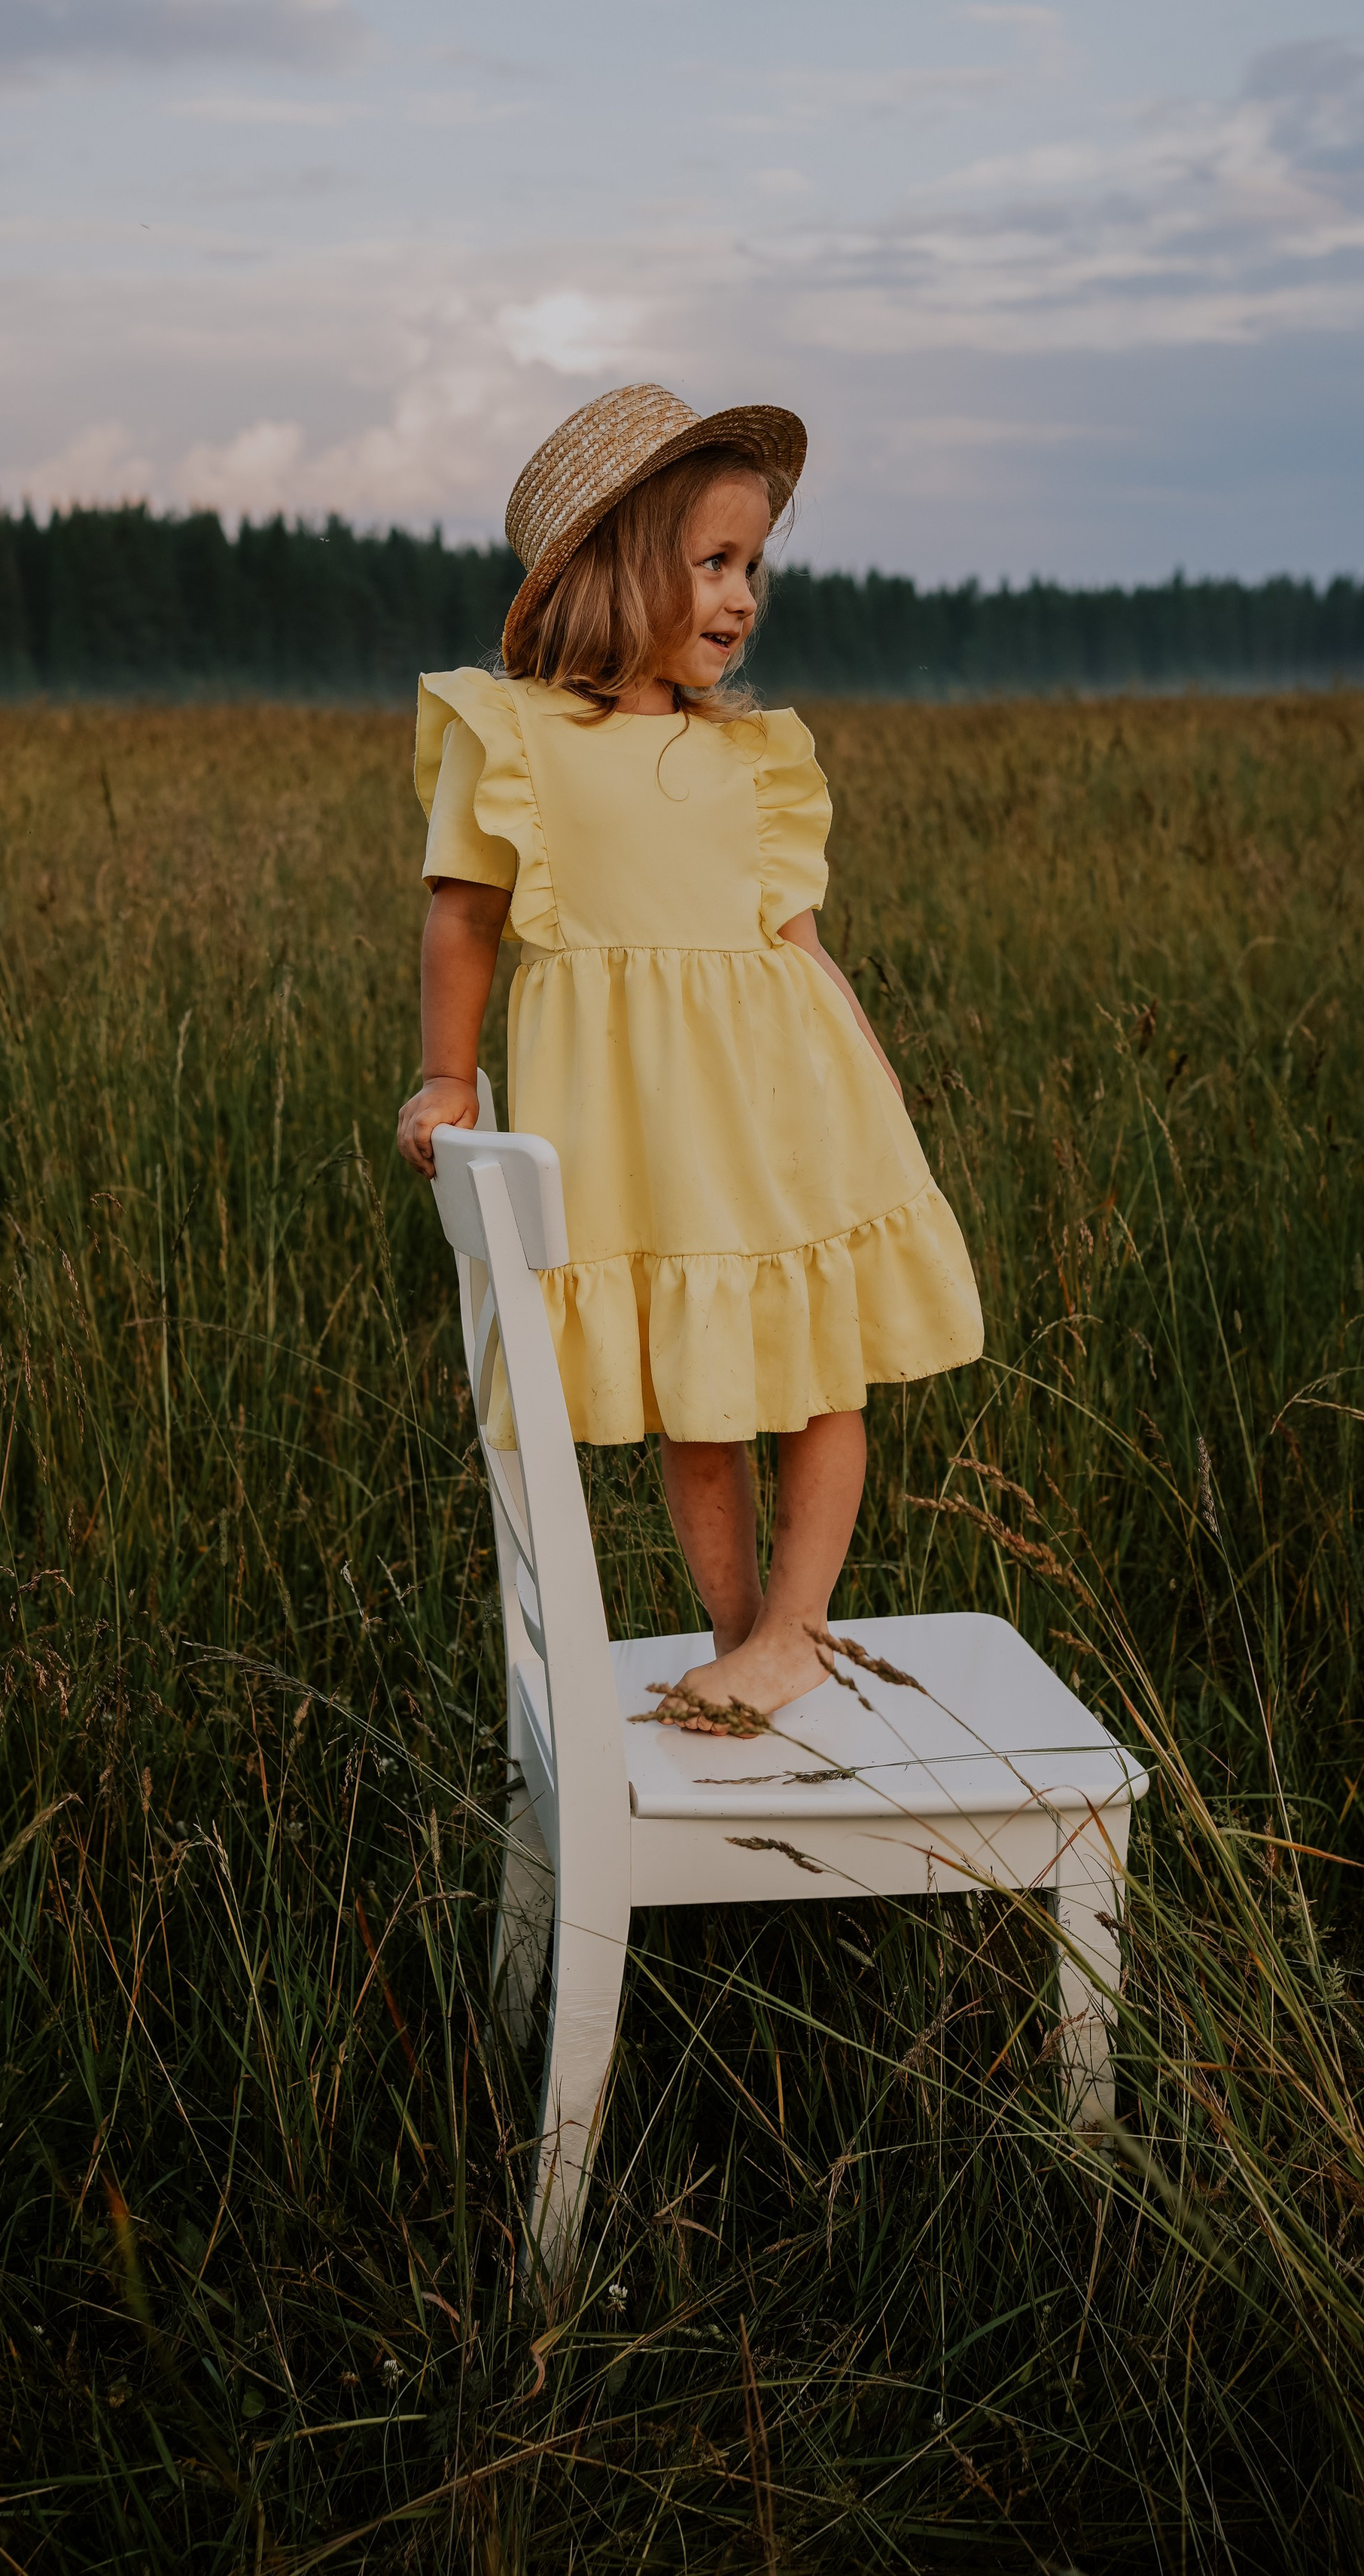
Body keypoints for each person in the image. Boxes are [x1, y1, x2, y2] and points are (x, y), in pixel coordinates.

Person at [397, 384, 982, 1734]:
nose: (742, 597)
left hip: (787, 1110)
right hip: (647, 1139)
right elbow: (463, 917)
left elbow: (802, 945)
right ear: (617, 568)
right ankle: (741, 1638)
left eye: (754, 566)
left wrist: (873, 1073)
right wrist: (446, 1075)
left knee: (823, 1365)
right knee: (698, 1389)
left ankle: (795, 1629)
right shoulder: (520, 741)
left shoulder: (754, 760)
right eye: (711, 563)